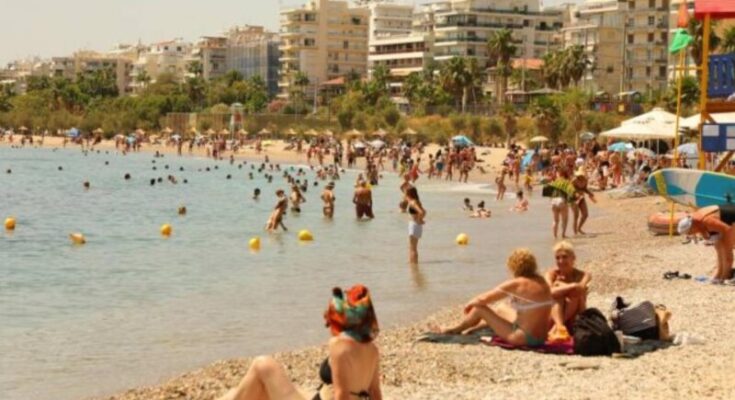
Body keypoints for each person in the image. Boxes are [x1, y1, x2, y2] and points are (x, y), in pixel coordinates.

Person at [217, 285, 382, 400]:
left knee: (263, 365)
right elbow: (375, 393)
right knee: (256, 390)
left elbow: (341, 395)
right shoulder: (372, 350)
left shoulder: (339, 346)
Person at [436, 248, 553, 347]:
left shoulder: (517, 283)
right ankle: (473, 328)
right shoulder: (541, 281)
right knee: (501, 308)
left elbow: (483, 299)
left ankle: (455, 329)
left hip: (523, 338)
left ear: (513, 267)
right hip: (541, 338)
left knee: (479, 308)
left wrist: (469, 305)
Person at [545, 241, 590, 339]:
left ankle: (557, 328)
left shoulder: (583, 275)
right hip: (554, 316)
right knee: (557, 296)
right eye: (557, 258)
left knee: (575, 295)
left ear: (573, 258)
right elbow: (549, 293)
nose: (561, 261)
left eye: (565, 257)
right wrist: (572, 285)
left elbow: (580, 289)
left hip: (576, 318)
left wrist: (560, 285)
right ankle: (560, 327)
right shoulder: (551, 274)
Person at [678, 205, 735, 282]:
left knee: (726, 250)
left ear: (692, 227)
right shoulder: (696, 220)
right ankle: (718, 275)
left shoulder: (707, 221)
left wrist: (728, 245)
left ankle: (724, 276)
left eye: (689, 232)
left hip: (728, 223)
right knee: (719, 248)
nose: (690, 235)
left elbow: (727, 229)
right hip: (726, 219)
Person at [571, 167, 596, 235]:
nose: (582, 176)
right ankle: (575, 233)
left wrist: (589, 193)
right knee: (576, 216)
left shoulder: (585, 180)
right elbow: (570, 189)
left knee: (585, 214)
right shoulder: (574, 180)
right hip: (573, 199)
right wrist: (576, 194)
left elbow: (584, 188)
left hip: (581, 198)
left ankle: (579, 228)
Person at [405, 187, 426, 264]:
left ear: (409, 193)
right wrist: (420, 219)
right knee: (414, 247)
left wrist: (419, 219)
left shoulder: (413, 203)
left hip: (414, 225)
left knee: (412, 248)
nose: (405, 193)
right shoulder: (416, 201)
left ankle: (413, 264)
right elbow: (424, 211)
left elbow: (422, 212)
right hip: (417, 225)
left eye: (406, 192)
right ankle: (414, 264)